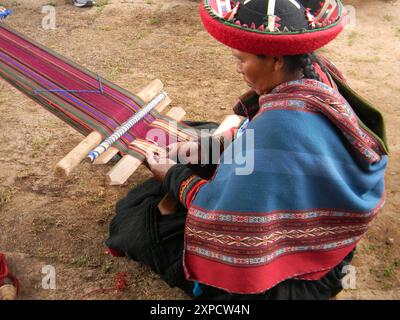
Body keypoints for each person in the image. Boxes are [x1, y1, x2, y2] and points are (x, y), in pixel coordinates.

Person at [106, 0, 388, 299]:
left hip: (299, 279)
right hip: (332, 236)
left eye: (242, 59)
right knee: (201, 139)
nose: (237, 68)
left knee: (137, 219)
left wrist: (171, 174)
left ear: (277, 59)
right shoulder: (314, 70)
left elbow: (221, 213)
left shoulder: (278, 126)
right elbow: (253, 141)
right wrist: (205, 148)